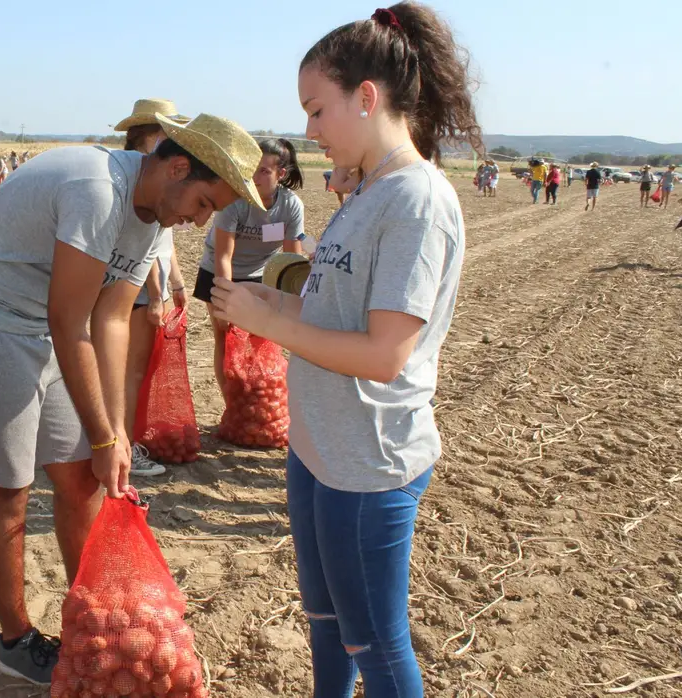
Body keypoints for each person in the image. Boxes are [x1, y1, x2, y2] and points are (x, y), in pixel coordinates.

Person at [0, 113, 261, 685]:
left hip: (46, 326)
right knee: (7, 490)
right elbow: (70, 320)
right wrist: (104, 433)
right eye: (203, 202)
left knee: (82, 478)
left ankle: (94, 624)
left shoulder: (155, 218)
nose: (199, 219)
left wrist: (116, 433)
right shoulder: (99, 191)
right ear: (177, 167)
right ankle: (15, 640)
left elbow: (111, 319)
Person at [212, 4, 480, 695]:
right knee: (328, 622)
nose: (308, 132)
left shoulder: (416, 201)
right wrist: (274, 303)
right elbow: (339, 313)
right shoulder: (368, 195)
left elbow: (384, 353)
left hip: (368, 463)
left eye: (317, 110)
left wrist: (271, 326)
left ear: (366, 98)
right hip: (320, 446)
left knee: (378, 645)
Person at [113, 98, 192, 477]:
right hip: (139, 290)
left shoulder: (155, 180)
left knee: (131, 372)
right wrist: (156, 294)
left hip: (152, 286)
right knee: (129, 373)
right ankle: (123, 444)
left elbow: (164, 239)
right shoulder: (138, 182)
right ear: (149, 137)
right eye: (169, 133)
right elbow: (138, 246)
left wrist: (176, 281)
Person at [195, 137, 306, 396]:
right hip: (220, 273)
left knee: (261, 337)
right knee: (225, 337)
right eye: (252, 169)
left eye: (264, 171)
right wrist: (223, 303)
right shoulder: (235, 201)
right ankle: (231, 404)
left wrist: (290, 304)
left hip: (261, 275)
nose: (254, 177)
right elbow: (224, 256)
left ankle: (258, 400)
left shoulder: (290, 206)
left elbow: (292, 262)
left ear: (281, 173)